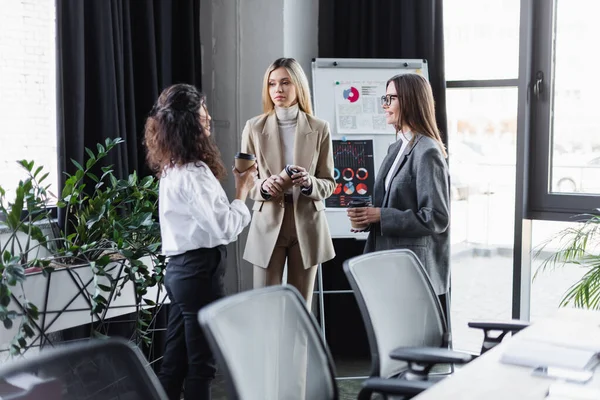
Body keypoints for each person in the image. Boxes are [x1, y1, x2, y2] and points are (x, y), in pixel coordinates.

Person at [144, 83, 256, 400]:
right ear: (191, 122)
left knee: (175, 362)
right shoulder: (193, 172)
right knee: (201, 365)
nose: (208, 118)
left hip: (180, 272)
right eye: (203, 112)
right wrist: (243, 190)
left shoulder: (171, 167)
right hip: (197, 273)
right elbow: (223, 228)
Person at [346, 73, 451, 314]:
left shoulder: (427, 152)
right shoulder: (397, 147)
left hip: (412, 270)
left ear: (411, 101)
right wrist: (365, 219)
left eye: (391, 98)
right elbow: (390, 204)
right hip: (389, 264)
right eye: (385, 97)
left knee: (411, 346)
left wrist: (380, 216)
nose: (385, 105)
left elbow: (436, 217)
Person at [241, 57, 335, 305]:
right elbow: (246, 182)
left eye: (285, 83)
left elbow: (329, 182)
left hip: (307, 223)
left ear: (298, 86)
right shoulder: (253, 127)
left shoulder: (320, 128)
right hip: (268, 222)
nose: (278, 90)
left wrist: (308, 183)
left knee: (299, 310)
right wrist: (263, 186)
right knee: (264, 308)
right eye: (272, 84)